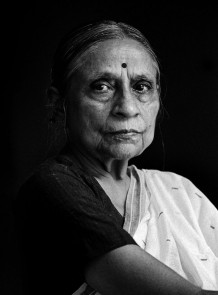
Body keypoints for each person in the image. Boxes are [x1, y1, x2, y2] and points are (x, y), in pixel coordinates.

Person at [14, 20, 218, 295]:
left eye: (142, 86)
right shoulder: (51, 187)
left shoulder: (181, 192)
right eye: (101, 87)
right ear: (57, 103)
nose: (127, 107)